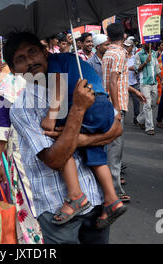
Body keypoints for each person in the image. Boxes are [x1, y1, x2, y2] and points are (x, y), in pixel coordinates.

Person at [3, 31, 122, 244]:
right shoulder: (22, 108)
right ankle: (84, 196)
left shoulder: (74, 82)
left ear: (45, 52)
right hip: (57, 205)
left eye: (32, 52)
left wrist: (84, 140)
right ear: (12, 70)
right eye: (20, 59)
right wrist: (77, 108)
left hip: (94, 198)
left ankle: (108, 198)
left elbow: (116, 129)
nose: (30, 62)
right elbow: (55, 159)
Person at [38, 42, 127, 228]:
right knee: (96, 155)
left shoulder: (54, 60)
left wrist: (51, 117)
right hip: (103, 106)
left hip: (85, 104)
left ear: (45, 53)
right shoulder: (74, 59)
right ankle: (112, 199)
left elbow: (58, 84)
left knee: (64, 144)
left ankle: (75, 196)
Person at [0, 73, 44, 244]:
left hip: (54, 148)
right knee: (27, 202)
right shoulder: (11, 82)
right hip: (21, 149)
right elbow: (2, 120)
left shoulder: (53, 77)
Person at [102, 23, 131, 202]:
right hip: (114, 105)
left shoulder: (108, 52)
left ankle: (110, 185)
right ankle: (113, 190)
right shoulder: (119, 53)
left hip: (109, 103)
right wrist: (117, 109)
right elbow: (113, 82)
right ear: (124, 36)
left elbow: (116, 81)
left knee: (111, 147)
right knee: (115, 149)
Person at [134, 43, 161, 135]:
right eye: (147, 42)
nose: (149, 44)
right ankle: (149, 127)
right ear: (143, 43)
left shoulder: (153, 53)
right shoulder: (138, 54)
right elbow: (137, 69)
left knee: (153, 104)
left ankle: (140, 119)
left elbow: (157, 68)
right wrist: (145, 62)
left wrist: (161, 80)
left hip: (154, 83)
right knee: (147, 105)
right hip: (144, 83)